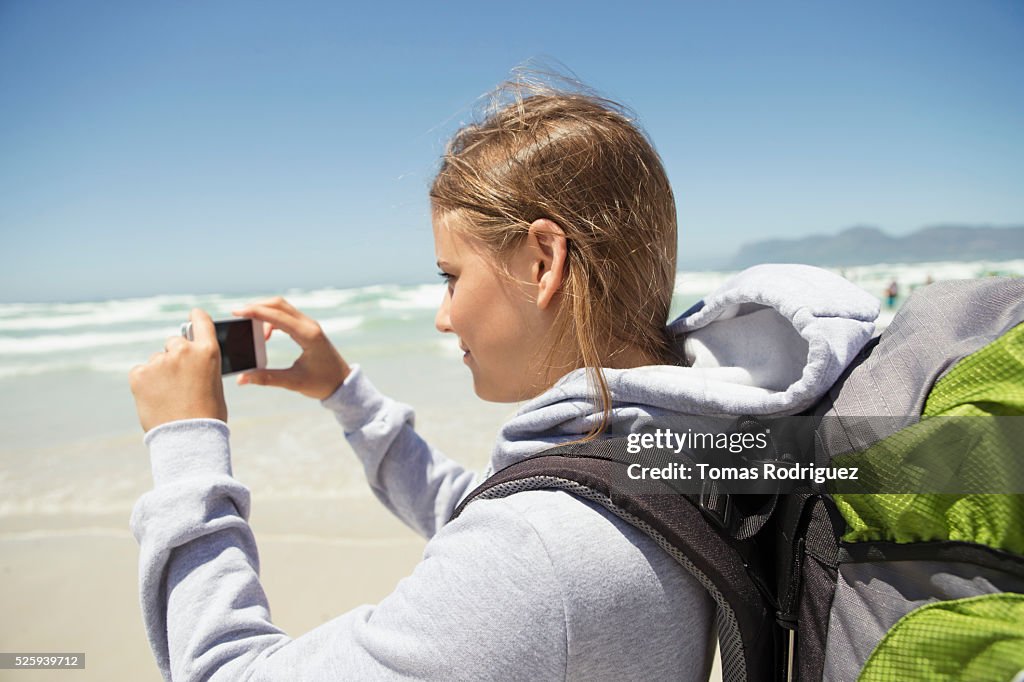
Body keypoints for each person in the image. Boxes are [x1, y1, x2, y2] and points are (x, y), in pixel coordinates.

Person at [128, 79, 879, 681]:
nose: (442, 317)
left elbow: (225, 670)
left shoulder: (540, 551)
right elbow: (478, 511)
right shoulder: (682, 450)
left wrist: (186, 446)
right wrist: (344, 393)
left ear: (542, 262)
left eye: (450, 277)